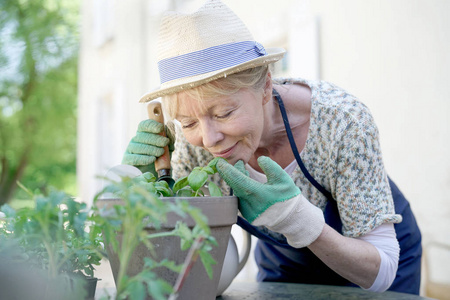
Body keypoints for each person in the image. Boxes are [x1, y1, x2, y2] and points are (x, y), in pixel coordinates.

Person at [122, 0, 422, 294]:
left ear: (266, 86)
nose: (209, 138)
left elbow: (381, 271)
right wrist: (142, 189)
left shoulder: (341, 123)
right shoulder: (195, 147)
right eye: (188, 123)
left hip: (372, 259)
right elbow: (179, 256)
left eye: (224, 113)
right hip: (284, 261)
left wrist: (299, 220)